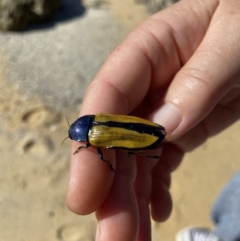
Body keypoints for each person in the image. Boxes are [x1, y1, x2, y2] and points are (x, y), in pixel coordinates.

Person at [66, 0, 240, 240]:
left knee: (126, 149)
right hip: (139, 133)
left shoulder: (93, 139)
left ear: (81, 137)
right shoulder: (97, 120)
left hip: (140, 138)